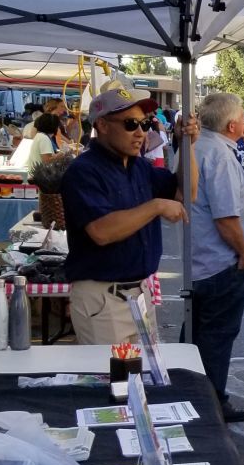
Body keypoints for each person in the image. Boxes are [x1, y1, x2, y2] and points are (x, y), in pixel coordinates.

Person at [60, 81, 192, 344]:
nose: (140, 132)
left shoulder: (139, 167)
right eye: (130, 124)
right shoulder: (83, 171)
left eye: (145, 124)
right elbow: (102, 231)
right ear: (102, 125)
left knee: (142, 380)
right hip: (104, 298)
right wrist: (155, 206)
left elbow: (185, 193)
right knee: (114, 381)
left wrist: (188, 144)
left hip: (139, 294)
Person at [189, 92, 244, 422]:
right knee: (216, 337)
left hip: (203, 262)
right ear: (233, 125)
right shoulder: (219, 155)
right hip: (220, 263)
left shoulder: (200, 147)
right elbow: (226, 217)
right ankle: (211, 403)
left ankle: (195, 396)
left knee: (199, 337)